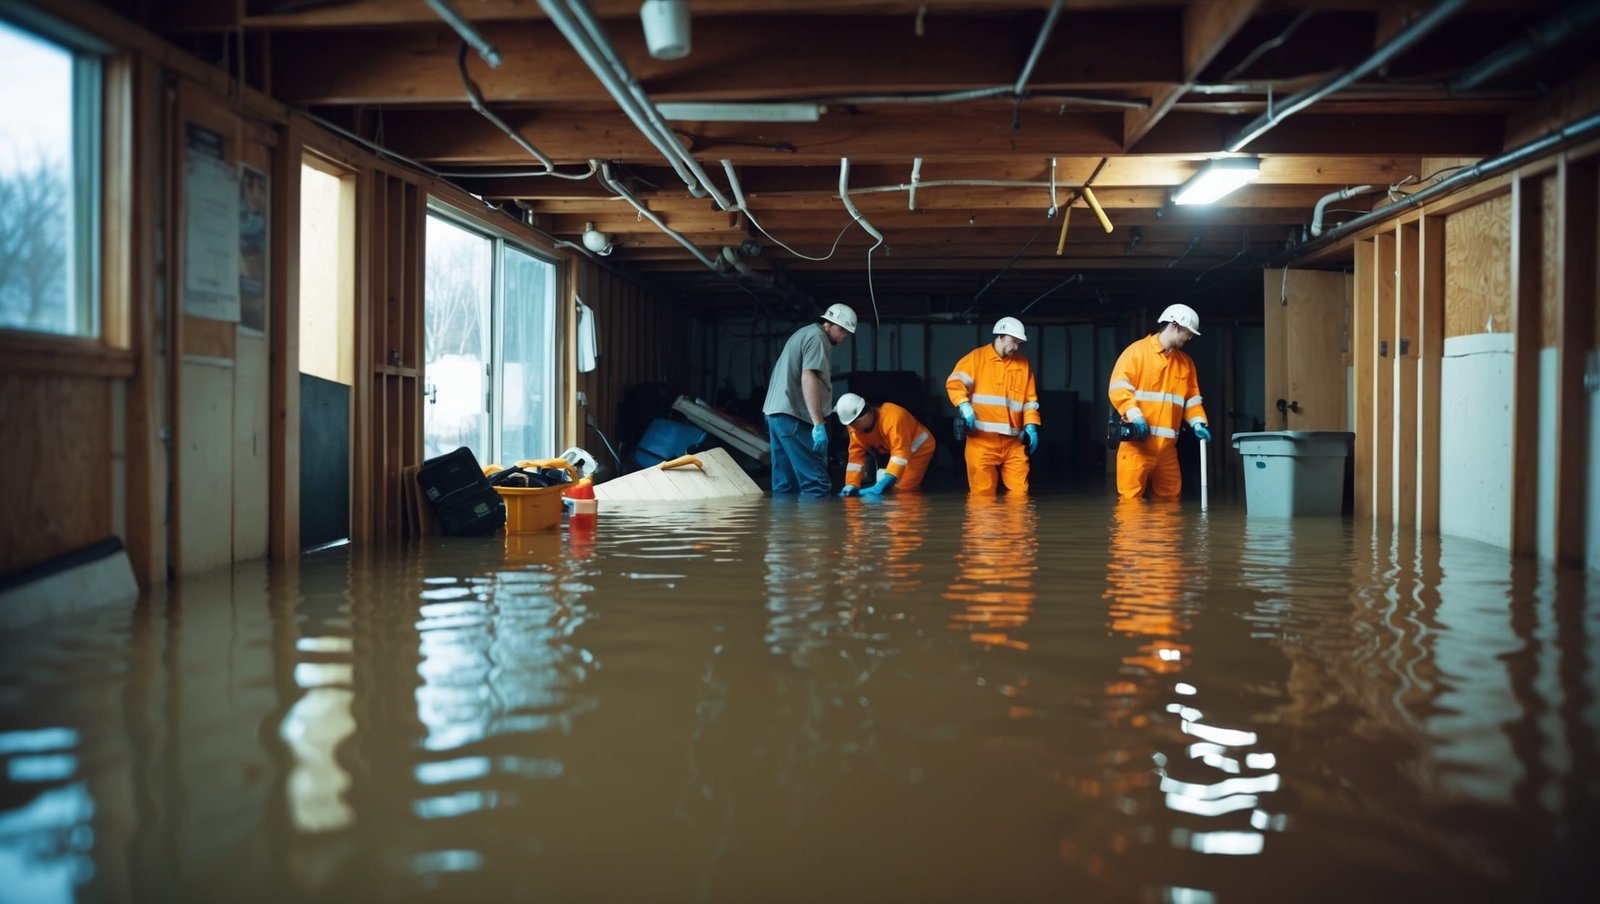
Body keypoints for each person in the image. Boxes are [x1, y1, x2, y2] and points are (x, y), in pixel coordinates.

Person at [1107, 303, 1211, 500]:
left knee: (1169, 503)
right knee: (1130, 503)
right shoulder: (1136, 353)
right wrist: (1135, 416)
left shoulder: (1186, 364)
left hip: (1167, 451)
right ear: (1175, 325)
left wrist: (1198, 422)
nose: (1190, 337)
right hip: (1137, 447)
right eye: (1188, 332)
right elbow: (1118, 389)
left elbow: (1191, 400)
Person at [762, 303, 857, 497]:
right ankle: (815, 519)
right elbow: (809, 376)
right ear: (827, 323)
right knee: (817, 485)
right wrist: (818, 423)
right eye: (842, 331)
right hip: (794, 416)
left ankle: (783, 519)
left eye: (847, 334)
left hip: (776, 415)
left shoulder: (803, 333)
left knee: (785, 487)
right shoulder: (818, 338)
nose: (844, 337)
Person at [945, 316, 1041, 495]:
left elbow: (1030, 401)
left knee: (1020, 496)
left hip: (1014, 442)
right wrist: (964, 406)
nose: (1016, 347)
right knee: (982, 499)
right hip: (981, 442)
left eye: (1019, 343)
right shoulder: (975, 359)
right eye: (1013, 341)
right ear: (1000, 336)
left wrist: (1031, 426)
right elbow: (954, 384)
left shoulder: (1023, 365)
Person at [834, 393, 936, 497]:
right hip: (894, 451)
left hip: (919, 447)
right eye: (850, 424)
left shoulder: (894, 417)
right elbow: (855, 459)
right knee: (890, 486)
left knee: (903, 489)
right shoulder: (854, 429)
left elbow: (900, 453)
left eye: (853, 424)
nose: (852, 428)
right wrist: (851, 484)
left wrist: (883, 482)